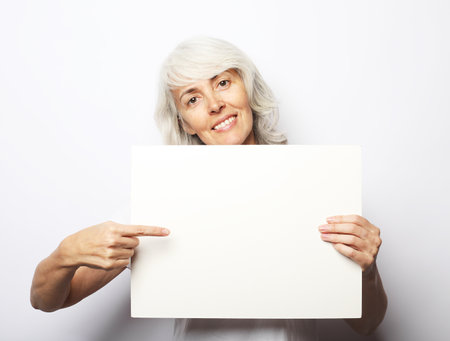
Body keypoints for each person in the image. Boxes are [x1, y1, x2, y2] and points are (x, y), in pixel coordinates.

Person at [31, 37, 387, 340]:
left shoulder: (314, 184)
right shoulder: (162, 199)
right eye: (192, 99)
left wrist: (368, 270)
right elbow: (48, 300)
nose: (215, 105)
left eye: (222, 83)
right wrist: (65, 254)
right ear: (184, 123)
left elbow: (368, 323)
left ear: (247, 87)